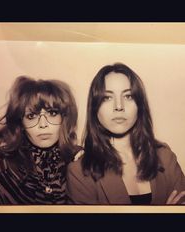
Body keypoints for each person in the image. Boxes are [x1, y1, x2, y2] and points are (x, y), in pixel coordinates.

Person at [0, 75, 82, 205]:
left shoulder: (76, 159)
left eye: (52, 113)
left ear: (63, 118)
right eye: (31, 116)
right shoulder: (1, 161)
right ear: (21, 124)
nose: (43, 124)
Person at [66, 63, 185, 205]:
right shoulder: (79, 172)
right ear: (95, 108)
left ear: (140, 105)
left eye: (128, 96)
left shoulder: (165, 157)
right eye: (107, 97)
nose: (119, 106)